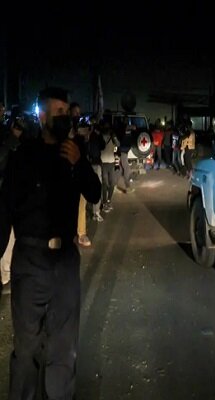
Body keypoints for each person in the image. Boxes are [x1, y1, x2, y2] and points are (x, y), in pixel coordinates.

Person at [0, 86, 101, 399]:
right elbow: (4, 209)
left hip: (65, 263)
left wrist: (79, 164)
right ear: (42, 116)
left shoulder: (73, 153)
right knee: (27, 347)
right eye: (56, 113)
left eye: (65, 112)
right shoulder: (23, 157)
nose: (63, 118)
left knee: (63, 347)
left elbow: (95, 193)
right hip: (30, 262)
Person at [0, 102, 23, 295]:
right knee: (7, 234)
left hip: (7, 192)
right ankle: (5, 273)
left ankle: (6, 272)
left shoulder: (6, 136)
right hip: (4, 193)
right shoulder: (6, 139)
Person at [69, 103, 92, 247]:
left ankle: (81, 233)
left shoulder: (82, 128)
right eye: (74, 112)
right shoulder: (66, 128)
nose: (77, 115)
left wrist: (87, 137)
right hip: (67, 171)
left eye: (79, 112)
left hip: (80, 170)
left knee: (82, 203)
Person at [100, 120, 118, 213]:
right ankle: (104, 204)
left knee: (112, 183)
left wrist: (114, 137)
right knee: (105, 184)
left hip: (110, 162)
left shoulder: (112, 137)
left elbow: (118, 145)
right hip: (104, 163)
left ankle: (108, 201)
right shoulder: (100, 137)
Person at [117, 118, 135, 193]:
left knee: (121, 169)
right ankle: (127, 187)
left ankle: (114, 185)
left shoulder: (124, 130)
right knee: (127, 170)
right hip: (123, 152)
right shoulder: (123, 129)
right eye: (127, 121)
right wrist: (131, 126)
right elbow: (133, 127)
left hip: (124, 152)